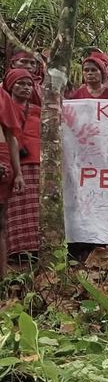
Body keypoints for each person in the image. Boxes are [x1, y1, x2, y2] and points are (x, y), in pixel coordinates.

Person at [3, 69, 40, 260]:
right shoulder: (4, 108)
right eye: (20, 83)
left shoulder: (38, 110)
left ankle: (35, 249)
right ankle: (16, 251)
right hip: (10, 164)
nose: (25, 88)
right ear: (10, 85)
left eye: (29, 84)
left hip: (36, 163)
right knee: (14, 207)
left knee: (35, 208)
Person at [0, 80, 24, 277]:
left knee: (1, 221)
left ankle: (3, 277)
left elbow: (11, 137)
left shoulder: (2, 96)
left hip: (1, 160)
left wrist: (18, 173)